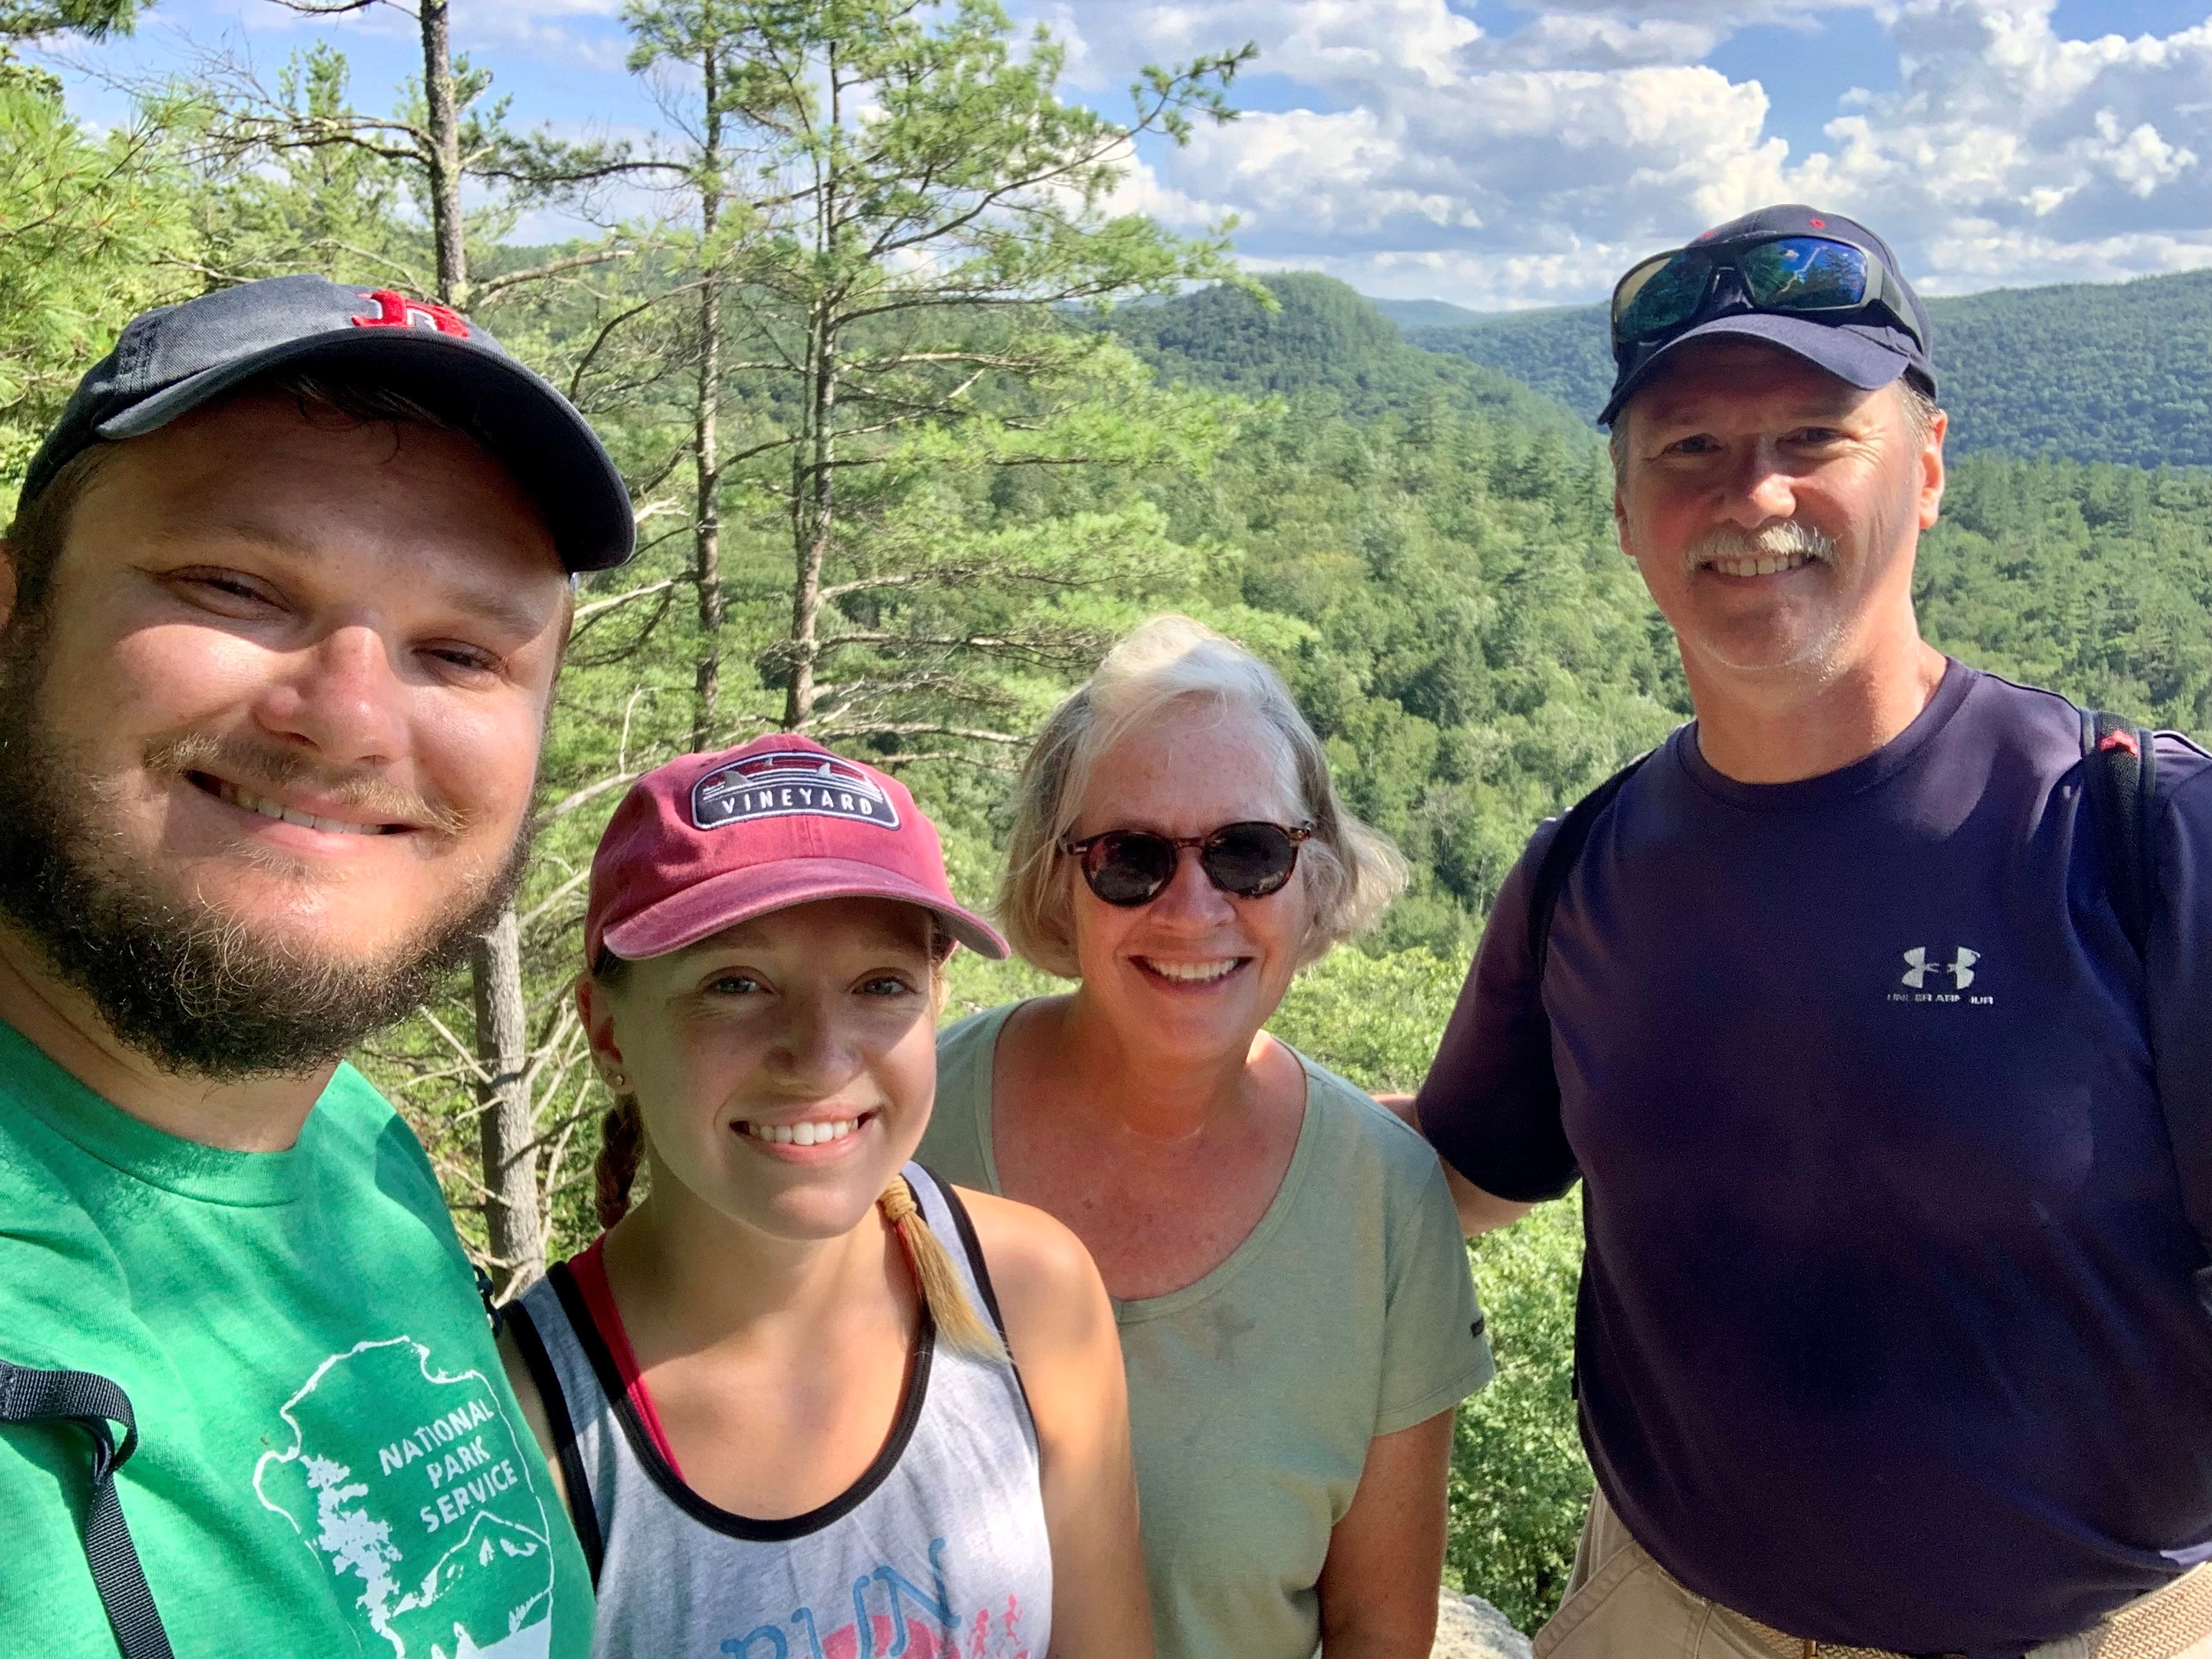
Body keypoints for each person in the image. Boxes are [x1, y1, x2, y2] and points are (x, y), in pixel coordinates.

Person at [1412, 205, 2212, 1658]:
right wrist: (1152, 1092)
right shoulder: (1584, 869)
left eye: (1809, 438)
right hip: (1662, 1615)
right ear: (1622, 509)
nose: (1751, 494)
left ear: (1925, 469)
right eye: (1689, 449)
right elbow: (1457, 1173)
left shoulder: (2128, 837)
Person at [0, 276, 635, 1658]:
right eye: (235, 585)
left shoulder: (352, 1137)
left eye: (459, 651)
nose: (348, 719)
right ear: (13, 616)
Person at [499, 734, 1150, 1659]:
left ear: (934, 1003)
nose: (820, 1054)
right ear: (608, 1033)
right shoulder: (530, 1427)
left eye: (880, 985)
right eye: (736, 984)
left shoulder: (1032, 1296)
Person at [920, 615, 1494, 1659]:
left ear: (1312, 874)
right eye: (1131, 858)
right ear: (1060, 880)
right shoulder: (906, 1134)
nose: (1194, 908)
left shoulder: (1386, 1208)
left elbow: (1377, 1631)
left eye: (1247, 853)